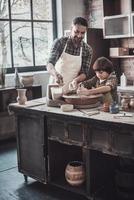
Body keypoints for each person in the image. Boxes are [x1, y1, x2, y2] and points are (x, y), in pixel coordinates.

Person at [47, 16, 93, 94]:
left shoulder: (87, 50)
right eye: (76, 32)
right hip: (55, 88)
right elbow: (50, 64)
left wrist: (76, 80)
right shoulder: (60, 43)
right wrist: (55, 74)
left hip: (72, 90)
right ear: (71, 29)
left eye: (82, 33)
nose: (79, 35)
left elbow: (84, 73)